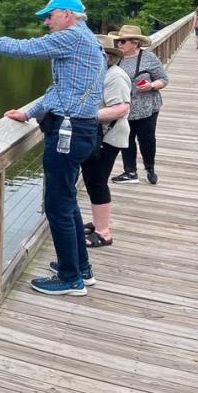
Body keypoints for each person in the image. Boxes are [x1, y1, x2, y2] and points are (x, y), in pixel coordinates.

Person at [0, 0, 105, 296]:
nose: (46, 23)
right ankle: (80, 268)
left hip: (68, 134)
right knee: (67, 200)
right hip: (81, 130)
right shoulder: (87, 39)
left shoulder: (70, 36)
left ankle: (71, 279)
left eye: (49, 16)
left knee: (57, 206)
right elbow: (61, 90)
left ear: (67, 14)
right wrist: (28, 112)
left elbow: (25, 48)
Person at [81, 34, 131, 248]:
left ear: (108, 56)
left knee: (97, 181)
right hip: (98, 135)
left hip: (108, 137)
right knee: (92, 180)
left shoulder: (115, 76)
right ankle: (98, 222)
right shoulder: (100, 73)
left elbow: (121, 108)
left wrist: (85, 115)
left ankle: (103, 232)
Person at [109, 25, 169, 185]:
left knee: (147, 139)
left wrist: (151, 86)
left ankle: (150, 168)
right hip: (124, 107)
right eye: (118, 41)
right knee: (126, 139)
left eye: (123, 41)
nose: (119, 44)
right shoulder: (115, 58)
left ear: (135, 43)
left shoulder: (148, 57)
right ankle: (130, 172)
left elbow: (163, 79)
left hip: (147, 107)